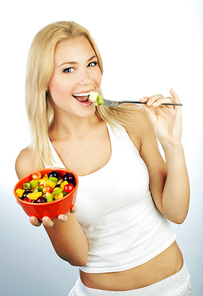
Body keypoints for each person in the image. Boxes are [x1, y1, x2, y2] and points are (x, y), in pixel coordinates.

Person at [15, 21, 192, 295]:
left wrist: (172, 145)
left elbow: (176, 212)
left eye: (91, 63)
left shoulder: (131, 120)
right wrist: (58, 218)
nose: (86, 79)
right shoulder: (34, 161)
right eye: (68, 69)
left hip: (173, 286)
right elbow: (77, 256)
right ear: (43, 82)